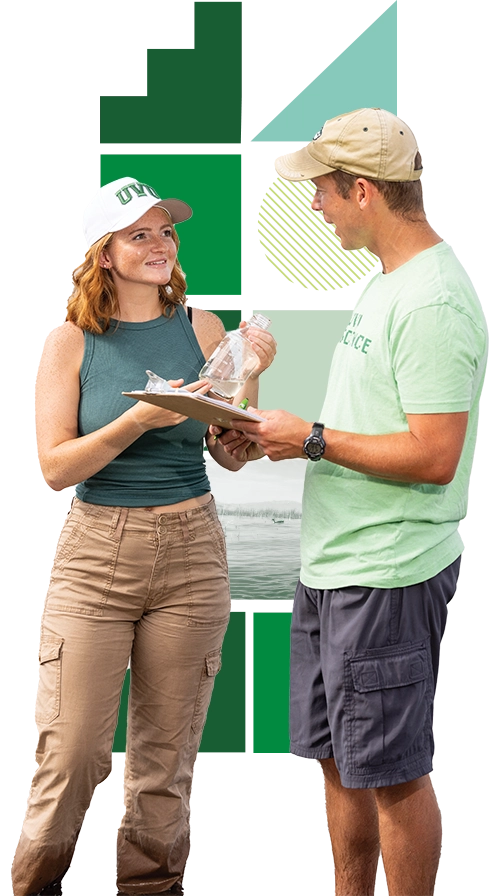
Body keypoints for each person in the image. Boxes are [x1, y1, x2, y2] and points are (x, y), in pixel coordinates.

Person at [212, 109, 487, 896]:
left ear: (362, 190)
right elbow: (365, 424)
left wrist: (311, 440)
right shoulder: (386, 284)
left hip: (387, 574)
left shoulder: (432, 301)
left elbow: (436, 457)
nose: (316, 206)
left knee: (396, 775)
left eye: (323, 192)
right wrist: (267, 427)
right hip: (335, 567)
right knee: (339, 759)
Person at [11, 176, 276, 896]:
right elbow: (57, 470)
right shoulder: (71, 341)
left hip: (192, 551)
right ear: (104, 255)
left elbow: (224, 450)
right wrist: (138, 418)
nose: (160, 246)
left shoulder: (203, 331)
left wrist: (244, 396)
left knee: (165, 762)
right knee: (72, 755)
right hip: (96, 555)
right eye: (139, 235)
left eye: (166, 232)